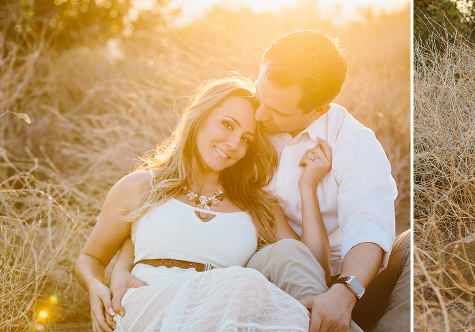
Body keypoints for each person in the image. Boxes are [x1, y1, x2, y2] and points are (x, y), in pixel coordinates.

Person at [111, 30, 411, 332]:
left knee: (414, 243)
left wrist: (343, 294)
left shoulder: (354, 143)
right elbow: (173, 198)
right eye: (260, 94)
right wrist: (126, 262)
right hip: (267, 273)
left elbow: (369, 226)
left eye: (277, 110)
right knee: (287, 255)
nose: (260, 112)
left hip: (351, 283)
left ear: (318, 109)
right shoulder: (244, 128)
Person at [74, 77, 334, 332]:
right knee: (247, 283)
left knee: (277, 275)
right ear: (199, 118)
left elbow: (312, 270)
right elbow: (91, 258)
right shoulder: (139, 186)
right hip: (150, 308)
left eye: (245, 139)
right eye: (227, 125)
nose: (233, 144)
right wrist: (97, 286)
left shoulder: (255, 204)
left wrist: (307, 188)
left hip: (226, 318)